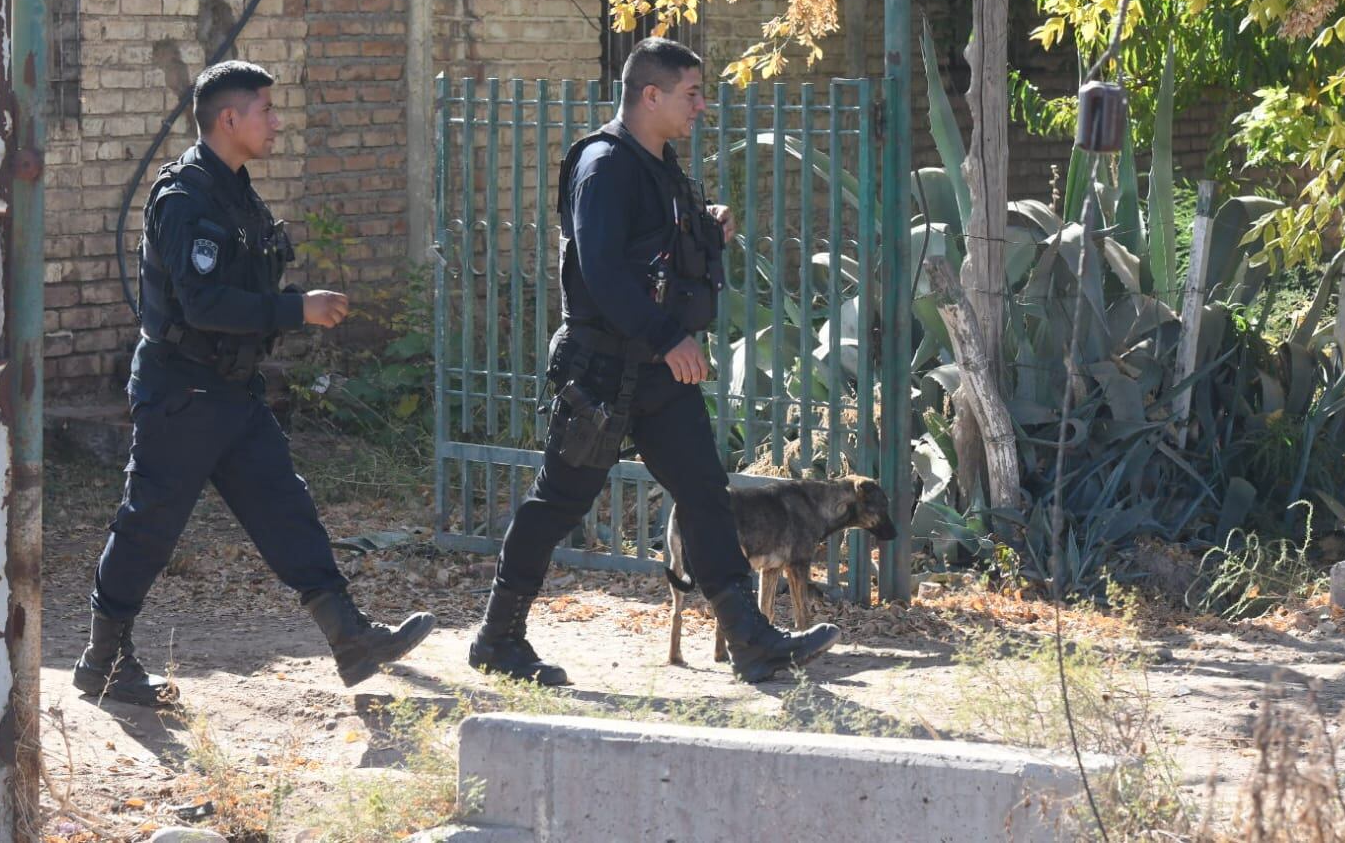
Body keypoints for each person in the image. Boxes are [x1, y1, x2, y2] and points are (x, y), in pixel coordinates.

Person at [467, 38, 841, 686]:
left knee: (704, 494)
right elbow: (601, 270)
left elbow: (654, 249)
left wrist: (705, 225)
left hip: (658, 377)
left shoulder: (659, 165)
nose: (701, 106)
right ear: (651, 95)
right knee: (556, 504)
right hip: (603, 374)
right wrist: (668, 336)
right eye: (691, 93)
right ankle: (498, 637)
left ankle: (748, 640)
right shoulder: (604, 166)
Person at [73, 61, 435, 706]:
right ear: (228, 119)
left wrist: (287, 305)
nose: (277, 122)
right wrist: (299, 309)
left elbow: (244, 289)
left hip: (233, 391)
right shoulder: (185, 198)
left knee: (284, 507)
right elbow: (203, 304)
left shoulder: (239, 193)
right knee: (150, 524)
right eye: (266, 110)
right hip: (183, 391)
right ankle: (103, 659)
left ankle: (350, 638)